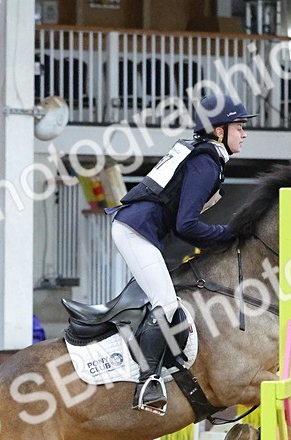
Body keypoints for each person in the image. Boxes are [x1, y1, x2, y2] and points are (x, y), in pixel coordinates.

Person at [108, 94, 256, 414]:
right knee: (166, 302)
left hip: (139, 229)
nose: (244, 133)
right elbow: (186, 225)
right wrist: (229, 235)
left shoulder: (202, 155)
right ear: (219, 131)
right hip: (136, 231)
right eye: (239, 127)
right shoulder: (206, 162)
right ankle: (147, 383)